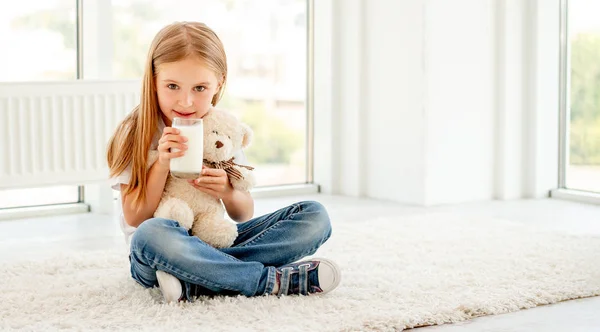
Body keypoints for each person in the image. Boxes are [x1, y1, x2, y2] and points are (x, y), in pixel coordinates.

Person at [106, 21, 341, 303]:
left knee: (314, 216)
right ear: (153, 81)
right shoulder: (135, 131)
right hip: (158, 254)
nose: (186, 101)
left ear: (219, 83)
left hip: (215, 241)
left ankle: (202, 278)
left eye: (200, 88)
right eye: (172, 86)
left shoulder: (220, 130)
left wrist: (228, 192)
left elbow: (243, 213)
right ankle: (266, 281)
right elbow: (135, 218)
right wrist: (162, 164)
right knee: (151, 234)